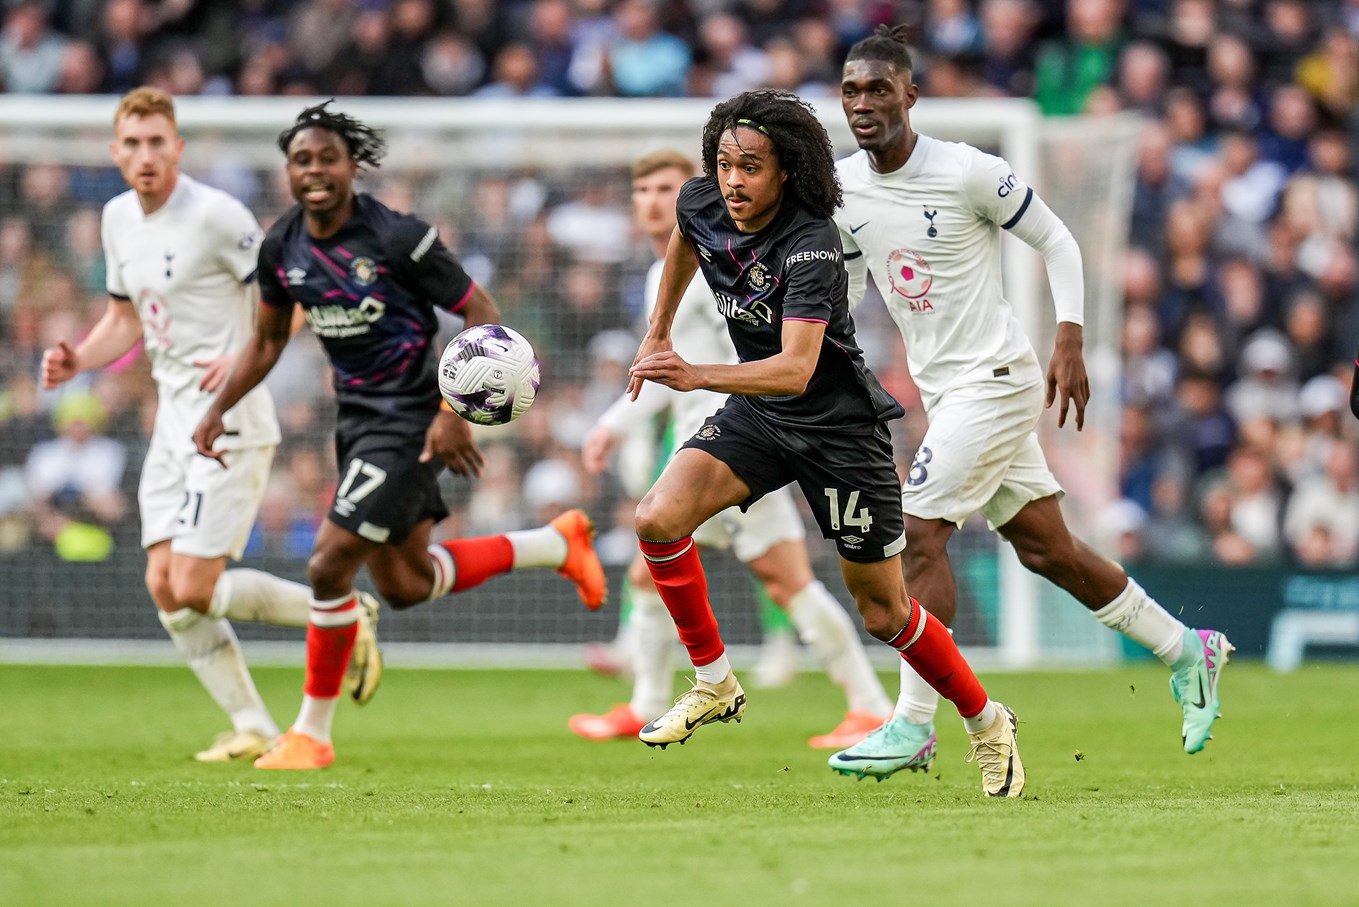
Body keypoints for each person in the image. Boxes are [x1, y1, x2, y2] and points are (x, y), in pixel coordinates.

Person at [829, 26, 1234, 780]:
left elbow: (1058, 241)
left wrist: (1070, 337)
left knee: (916, 535)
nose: (862, 103)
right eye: (851, 90)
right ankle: (1188, 649)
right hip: (948, 391)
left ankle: (914, 722)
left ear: (910, 95)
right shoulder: (843, 186)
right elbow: (848, 285)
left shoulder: (966, 171)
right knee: (1049, 549)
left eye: (878, 88)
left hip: (995, 380)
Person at [627, 88, 1024, 798]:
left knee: (884, 611)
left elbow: (795, 369)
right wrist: (658, 330)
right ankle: (713, 681)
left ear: (787, 172)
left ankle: (987, 720)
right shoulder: (701, 201)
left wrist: (692, 372)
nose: (732, 182)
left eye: (751, 168)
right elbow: (686, 235)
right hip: (760, 416)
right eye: (724, 164)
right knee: (657, 518)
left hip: (837, 433)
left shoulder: (810, 244)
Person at [192, 101, 606, 770]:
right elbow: (267, 340)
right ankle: (555, 543)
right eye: (302, 160)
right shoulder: (281, 247)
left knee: (327, 565)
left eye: (328, 158)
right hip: (356, 422)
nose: (315, 170)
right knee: (408, 583)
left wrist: (452, 411)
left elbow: (481, 310)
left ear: (352, 166)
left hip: (413, 419)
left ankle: (312, 733)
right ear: (288, 171)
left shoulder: (397, 236)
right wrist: (220, 407)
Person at [39, 87, 374, 763]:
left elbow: (293, 297)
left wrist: (246, 354)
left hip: (230, 417)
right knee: (166, 588)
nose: (146, 156)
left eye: (157, 142)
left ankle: (342, 610)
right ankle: (251, 722)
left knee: (193, 584)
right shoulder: (116, 218)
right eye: (133, 144)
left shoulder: (217, 215)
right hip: (173, 419)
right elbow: (124, 320)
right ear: (115, 152)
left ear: (178, 148)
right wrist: (79, 358)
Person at [573, 148, 893, 749]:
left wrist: (625, 417)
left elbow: (730, 360)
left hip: (741, 441)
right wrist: (617, 422)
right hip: (718, 440)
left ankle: (868, 703)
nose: (654, 202)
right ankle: (648, 701)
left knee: (785, 582)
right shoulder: (666, 273)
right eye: (643, 190)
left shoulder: (723, 262)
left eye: (666, 189)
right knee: (661, 569)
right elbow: (667, 366)